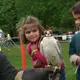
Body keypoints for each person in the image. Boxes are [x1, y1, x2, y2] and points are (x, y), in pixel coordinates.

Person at [20, 16, 66, 80]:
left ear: (40, 30)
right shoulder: (29, 47)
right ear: (24, 34)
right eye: (28, 32)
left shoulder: (45, 41)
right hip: (44, 73)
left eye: (34, 31)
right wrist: (35, 64)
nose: (31, 34)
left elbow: (47, 59)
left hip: (57, 71)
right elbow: (34, 60)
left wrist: (35, 51)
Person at [69, 2, 80, 80]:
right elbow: (71, 54)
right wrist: (76, 59)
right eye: (75, 19)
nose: (77, 22)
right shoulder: (75, 37)